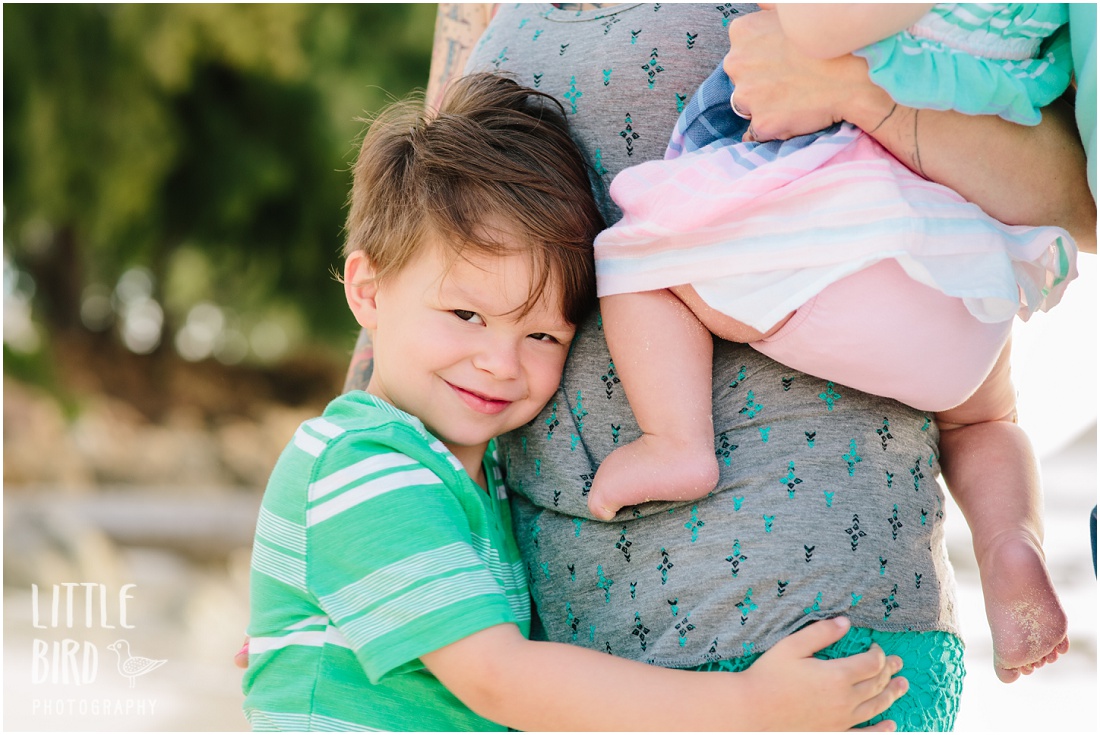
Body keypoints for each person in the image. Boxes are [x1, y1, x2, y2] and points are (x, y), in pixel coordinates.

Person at [241, 72, 909, 732]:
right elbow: (499, 678)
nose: (500, 363)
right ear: (369, 290)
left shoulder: (471, 480)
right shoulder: (361, 463)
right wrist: (751, 709)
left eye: (539, 334)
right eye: (466, 314)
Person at [586, 2, 1078, 685]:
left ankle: (675, 440)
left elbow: (815, 29)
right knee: (987, 418)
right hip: (969, 259)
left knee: (636, 258)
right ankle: (1010, 543)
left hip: (839, 226)